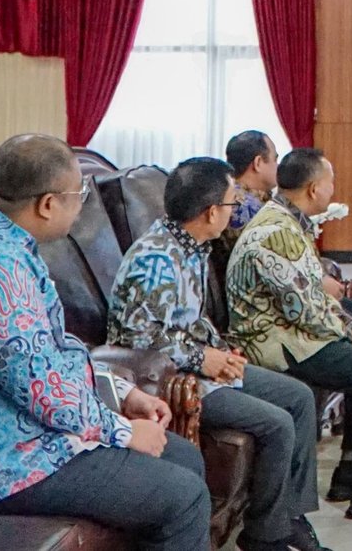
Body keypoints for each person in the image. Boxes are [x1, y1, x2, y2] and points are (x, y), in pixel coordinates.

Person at [0, 134, 210, 551]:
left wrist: (120, 392)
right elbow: (41, 387)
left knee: (183, 457)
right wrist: (122, 431)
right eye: (78, 195)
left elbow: (50, 350)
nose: (81, 206)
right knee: (184, 497)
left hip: (18, 433)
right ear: (47, 204)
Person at [108, 156, 327, 551]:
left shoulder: (191, 246)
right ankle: (266, 538)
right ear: (211, 212)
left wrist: (223, 352)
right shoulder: (156, 260)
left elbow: (190, 320)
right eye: (231, 203)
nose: (235, 210)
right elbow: (137, 339)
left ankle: (287, 517)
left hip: (201, 364)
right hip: (173, 379)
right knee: (277, 423)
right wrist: (202, 359)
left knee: (298, 397)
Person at [228, 148, 352, 522]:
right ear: (314, 188)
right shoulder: (278, 233)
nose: (333, 188)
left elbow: (310, 297)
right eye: (330, 181)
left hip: (291, 332)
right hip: (271, 343)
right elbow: (301, 308)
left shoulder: (288, 221)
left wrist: (350, 327)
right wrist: (349, 334)